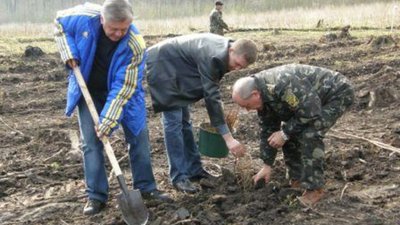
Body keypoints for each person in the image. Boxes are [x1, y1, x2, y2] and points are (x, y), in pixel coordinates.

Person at [54, 0, 170, 216]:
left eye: (123, 29)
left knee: (138, 137)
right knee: (91, 143)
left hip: (124, 93)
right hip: (88, 89)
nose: (118, 33)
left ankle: (146, 188)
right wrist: (68, 51)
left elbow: (123, 87)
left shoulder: (135, 44)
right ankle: (96, 196)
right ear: (102, 20)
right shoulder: (82, 17)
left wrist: (108, 121)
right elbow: (59, 23)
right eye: (113, 28)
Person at [146, 33, 258, 194]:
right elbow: (211, 97)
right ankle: (178, 177)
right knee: (174, 123)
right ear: (232, 50)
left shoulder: (226, 53)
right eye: (237, 64)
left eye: (242, 68)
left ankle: (194, 170)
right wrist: (228, 138)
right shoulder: (214, 56)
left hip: (179, 69)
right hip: (163, 65)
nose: (237, 69)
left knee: (185, 122)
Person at [232, 64, 354, 207]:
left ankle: (314, 189)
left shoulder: (282, 84)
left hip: (336, 93)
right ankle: (297, 180)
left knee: (309, 133)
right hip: (310, 102)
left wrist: (284, 133)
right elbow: (268, 130)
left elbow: (310, 112)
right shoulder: (263, 97)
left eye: (246, 105)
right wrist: (267, 165)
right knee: (287, 134)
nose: (247, 110)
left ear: (255, 94)